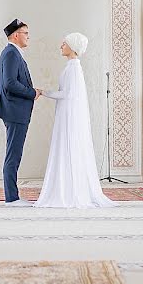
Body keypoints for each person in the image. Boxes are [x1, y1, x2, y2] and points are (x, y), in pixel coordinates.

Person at [35, 32, 115, 208]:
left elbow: (66, 94)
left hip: (68, 116)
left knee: (67, 147)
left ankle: (68, 192)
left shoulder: (73, 68)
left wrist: (43, 92)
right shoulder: (72, 66)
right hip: (66, 114)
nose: (61, 46)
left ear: (72, 47)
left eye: (64, 43)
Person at [0, 19, 41, 206]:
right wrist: (32, 92)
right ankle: (11, 198)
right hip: (15, 111)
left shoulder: (13, 53)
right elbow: (10, 83)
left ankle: (12, 196)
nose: (28, 37)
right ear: (15, 35)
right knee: (13, 155)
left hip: (16, 111)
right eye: (26, 33)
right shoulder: (11, 54)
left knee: (14, 154)